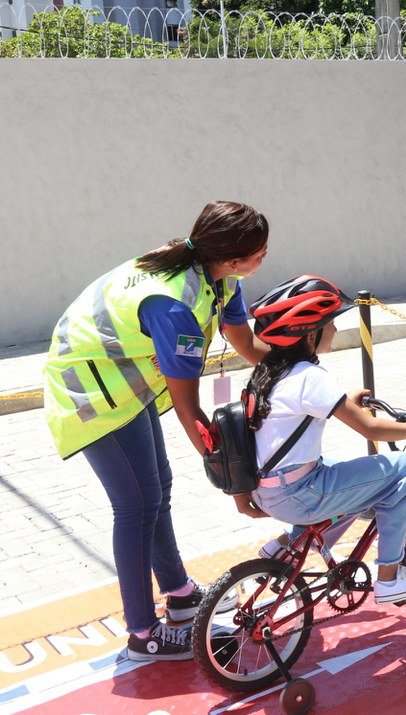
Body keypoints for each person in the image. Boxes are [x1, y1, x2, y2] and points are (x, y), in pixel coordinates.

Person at [43, 200, 271, 660]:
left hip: (125, 381)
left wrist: (295, 367)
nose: (264, 258)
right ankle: (143, 633)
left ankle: (180, 594)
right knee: (135, 506)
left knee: (157, 489)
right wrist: (232, 478)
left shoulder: (218, 275)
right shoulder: (175, 307)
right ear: (231, 258)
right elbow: (191, 412)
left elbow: (244, 343)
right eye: (259, 252)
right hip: (90, 392)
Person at [232, 275, 406, 604]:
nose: (334, 330)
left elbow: (297, 410)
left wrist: (345, 400)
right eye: (329, 322)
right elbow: (372, 430)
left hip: (265, 490)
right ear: (308, 333)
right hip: (299, 495)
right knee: (401, 468)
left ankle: (284, 551)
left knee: (349, 472)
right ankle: (391, 578)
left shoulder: (270, 371)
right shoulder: (311, 376)